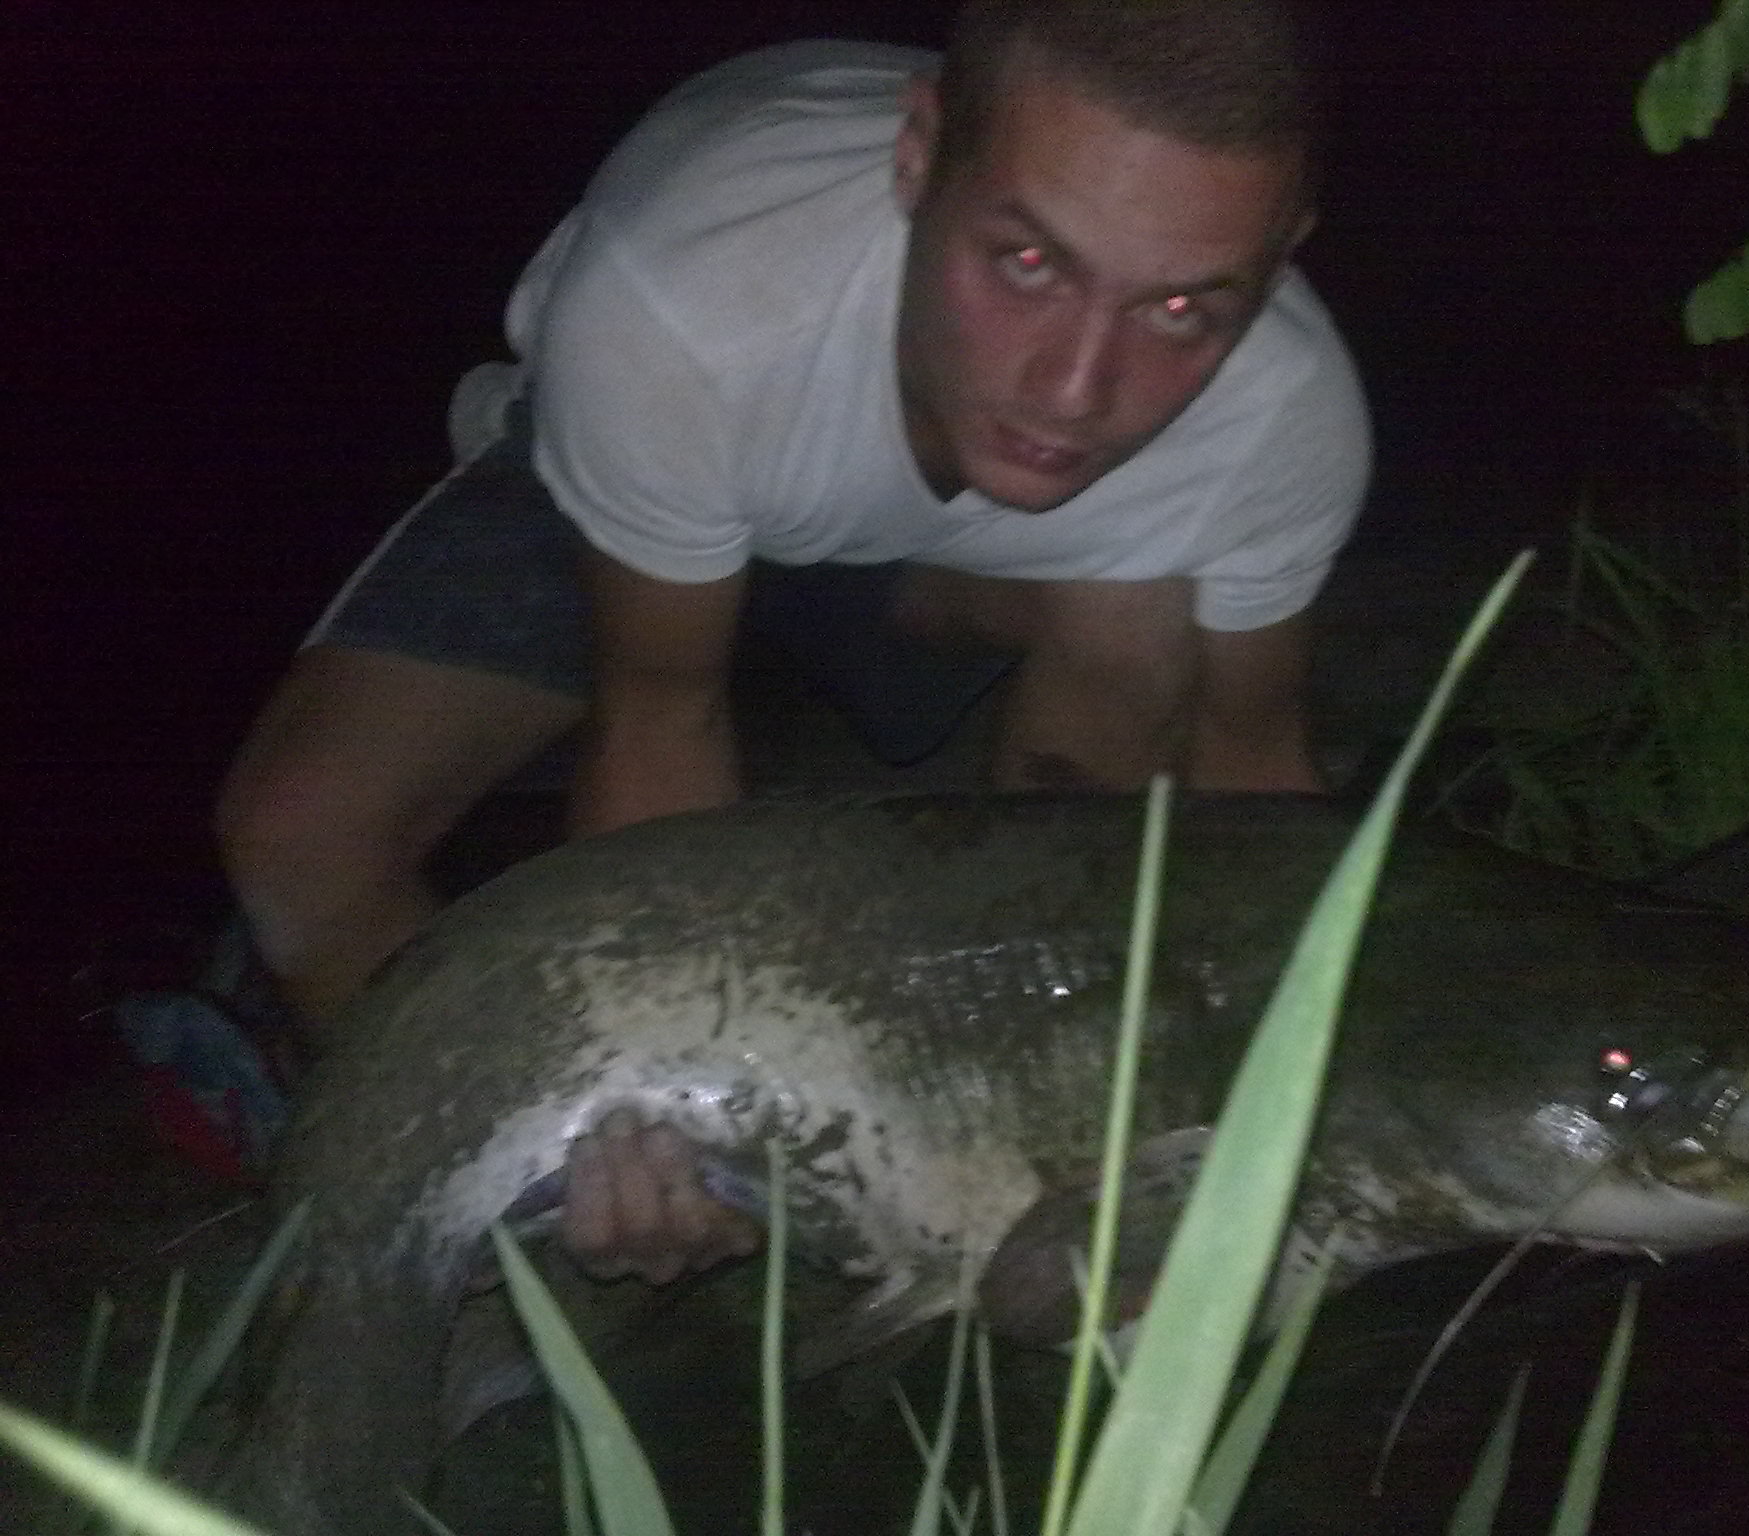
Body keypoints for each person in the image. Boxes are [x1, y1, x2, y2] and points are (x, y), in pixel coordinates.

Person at [214, 0, 1369, 1284]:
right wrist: (657, 1113)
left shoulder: (1284, 417)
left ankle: (1018, 1150)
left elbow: (1255, 774)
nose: (1074, 389)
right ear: (918, 155)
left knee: (1148, 621)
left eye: (1181, 308)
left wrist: (1300, 1100)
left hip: (928, 569)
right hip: (663, 465)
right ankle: (477, 1216)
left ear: (1281, 254)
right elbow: (660, 712)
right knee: (295, 836)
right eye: (1026, 263)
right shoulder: (683, 307)